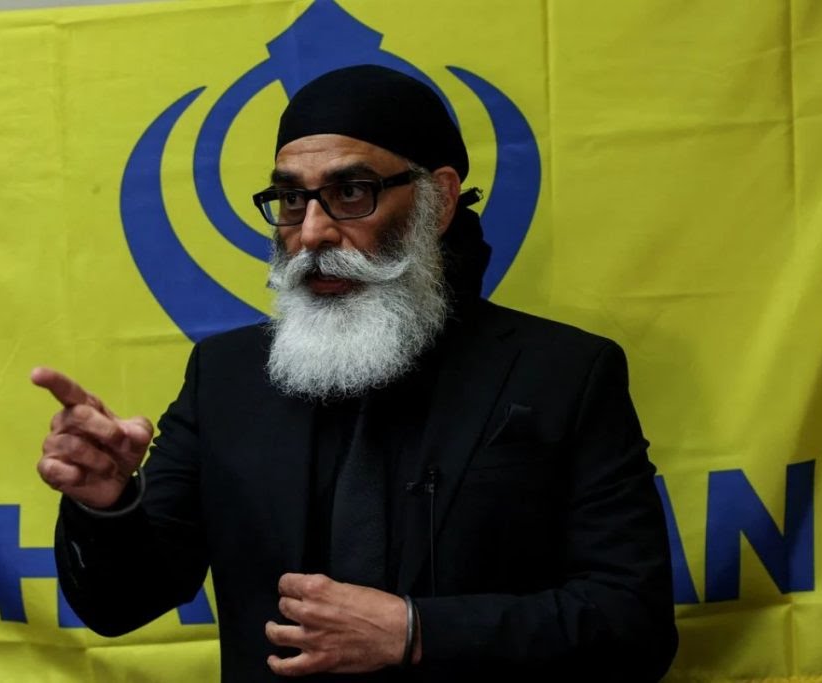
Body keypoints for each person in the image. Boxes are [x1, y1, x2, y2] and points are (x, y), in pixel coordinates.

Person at [33, 65, 678, 682]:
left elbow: (634, 627)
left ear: (438, 199)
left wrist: (417, 632)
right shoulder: (225, 378)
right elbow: (121, 604)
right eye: (292, 199)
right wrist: (107, 505)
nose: (313, 232)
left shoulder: (562, 373)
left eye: (350, 193)